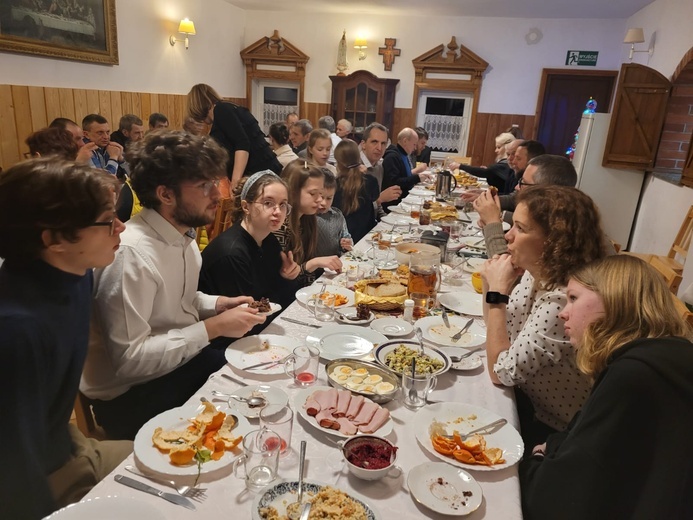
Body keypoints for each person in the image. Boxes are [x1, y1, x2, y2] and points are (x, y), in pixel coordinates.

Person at [81, 131, 266, 440]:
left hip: (176, 366)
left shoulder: (182, 235)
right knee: (247, 420)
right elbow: (130, 362)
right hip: (132, 396)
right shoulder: (131, 254)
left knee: (261, 378)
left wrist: (218, 304)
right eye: (205, 186)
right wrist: (213, 328)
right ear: (166, 195)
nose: (218, 195)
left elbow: (181, 299)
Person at [0, 159, 132, 519]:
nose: (121, 227)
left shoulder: (76, 271)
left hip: (65, 446)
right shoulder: (17, 331)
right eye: (108, 221)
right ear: (54, 239)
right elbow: (13, 471)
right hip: (35, 479)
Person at [521, 255, 693, 520]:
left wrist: (534, 460)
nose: (563, 312)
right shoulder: (668, 356)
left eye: (574, 298)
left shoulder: (633, 375)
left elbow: (555, 500)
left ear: (614, 300)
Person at [481, 185, 605, 447]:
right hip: (524, 401)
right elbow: (500, 333)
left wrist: (496, 294)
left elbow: (500, 371)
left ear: (554, 242)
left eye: (521, 229)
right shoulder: (536, 273)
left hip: (553, 430)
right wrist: (491, 285)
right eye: (511, 225)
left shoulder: (564, 300)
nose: (508, 236)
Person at [199, 171, 299, 326]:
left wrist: (287, 277)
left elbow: (279, 301)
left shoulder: (269, 240)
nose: (278, 211)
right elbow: (246, 318)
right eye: (268, 203)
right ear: (246, 207)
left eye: (283, 204)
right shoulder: (231, 253)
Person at [475, 154, 578, 257]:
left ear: (546, 190)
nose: (517, 187)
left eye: (524, 183)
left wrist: (492, 223)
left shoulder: (555, 229)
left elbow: (505, 268)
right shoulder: (553, 216)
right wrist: (489, 222)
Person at [187, 83, 282, 194]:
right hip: (263, 171)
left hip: (259, 173)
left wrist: (236, 182)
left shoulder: (221, 110)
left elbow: (242, 143)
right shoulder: (229, 108)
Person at [274, 160, 342, 287]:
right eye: (313, 194)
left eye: (321, 194)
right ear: (292, 192)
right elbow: (280, 281)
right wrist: (313, 263)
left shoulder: (307, 219)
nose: (320, 200)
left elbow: (304, 279)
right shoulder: (279, 226)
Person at [333, 140, 379, 243]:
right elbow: (375, 196)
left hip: (344, 239)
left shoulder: (335, 185)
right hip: (366, 236)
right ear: (358, 158)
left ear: (339, 163)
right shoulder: (370, 181)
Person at [382, 127, 432, 210]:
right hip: (394, 204)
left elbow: (406, 176)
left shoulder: (403, 155)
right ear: (405, 141)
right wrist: (417, 178)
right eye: (414, 144)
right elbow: (395, 182)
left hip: (403, 199)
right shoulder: (392, 157)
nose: (415, 148)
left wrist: (418, 177)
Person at [359, 123, 401, 217]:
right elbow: (354, 210)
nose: (379, 148)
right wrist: (380, 199)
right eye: (374, 142)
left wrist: (387, 221)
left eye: (383, 144)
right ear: (363, 144)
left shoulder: (379, 167)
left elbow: (378, 208)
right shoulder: (354, 167)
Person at [316, 170, 352, 257]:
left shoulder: (337, 215)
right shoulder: (306, 217)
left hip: (334, 265)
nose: (324, 203)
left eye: (329, 198)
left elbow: (346, 237)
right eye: (320, 197)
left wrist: (347, 243)